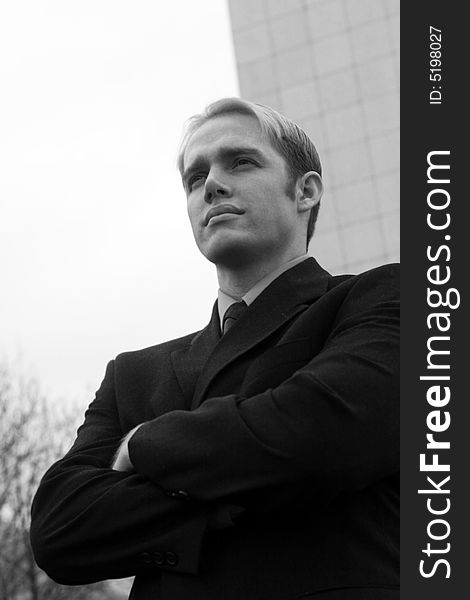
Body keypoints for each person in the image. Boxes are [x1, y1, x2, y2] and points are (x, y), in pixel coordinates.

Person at [30, 98, 399, 600]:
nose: (212, 185)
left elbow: (320, 436)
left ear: (306, 190)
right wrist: (255, 480)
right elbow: (60, 529)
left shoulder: (385, 300)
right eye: (194, 176)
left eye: (241, 162)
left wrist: (141, 445)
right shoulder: (133, 373)